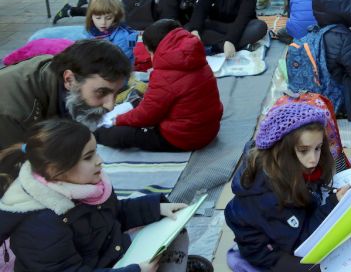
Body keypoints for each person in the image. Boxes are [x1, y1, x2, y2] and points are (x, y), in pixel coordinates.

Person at [0, 119, 210, 271]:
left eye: (96, 151)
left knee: (172, 226)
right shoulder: (41, 225)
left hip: (107, 254)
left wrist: (156, 208)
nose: (99, 161)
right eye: (89, 157)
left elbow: (113, 213)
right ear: (57, 171)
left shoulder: (85, 187)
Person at [225, 103, 350, 272]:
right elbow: (302, 242)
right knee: (326, 266)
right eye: (303, 150)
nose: (313, 159)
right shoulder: (270, 197)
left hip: (289, 226)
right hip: (270, 251)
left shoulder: (290, 167)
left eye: (318, 148)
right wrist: (333, 205)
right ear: (281, 150)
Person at [95, 19, 223, 151]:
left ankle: (94, 134)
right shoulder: (197, 58)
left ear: (158, 50)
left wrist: (119, 120)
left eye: (149, 52)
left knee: (126, 134)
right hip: (209, 129)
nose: (150, 58)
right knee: (144, 102)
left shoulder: (165, 75)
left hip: (183, 138)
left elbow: (147, 115)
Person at [0, 39, 131, 148]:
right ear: (69, 79)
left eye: (116, 93)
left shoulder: (58, 75)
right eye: (102, 92)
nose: (110, 106)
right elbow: (21, 169)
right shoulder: (14, 111)